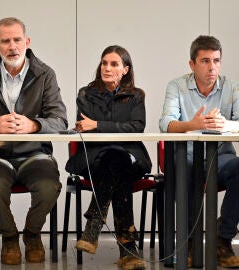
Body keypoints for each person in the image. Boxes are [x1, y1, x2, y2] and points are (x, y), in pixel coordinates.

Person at [0, 17, 67, 265]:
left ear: (27, 42)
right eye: (5, 41)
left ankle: (31, 234)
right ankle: (9, 237)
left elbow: (60, 120)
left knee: (49, 188)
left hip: (35, 154)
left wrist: (35, 125)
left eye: (17, 40)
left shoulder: (45, 74)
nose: (12, 46)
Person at [65, 45, 152, 270]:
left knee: (118, 160)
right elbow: (85, 127)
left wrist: (98, 125)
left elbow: (136, 127)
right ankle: (128, 250)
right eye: (104, 63)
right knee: (116, 163)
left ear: (125, 70)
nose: (107, 67)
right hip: (94, 158)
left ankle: (94, 223)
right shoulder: (86, 94)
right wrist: (103, 129)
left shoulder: (136, 95)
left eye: (114, 64)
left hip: (130, 157)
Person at [159, 35, 239, 268]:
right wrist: (193, 125)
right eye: (205, 61)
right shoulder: (177, 86)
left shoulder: (232, 87)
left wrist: (224, 124)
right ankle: (191, 244)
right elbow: (166, 123)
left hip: (221, 157)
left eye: (216, 61)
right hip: (187, 155)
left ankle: (222, 238)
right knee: (188, 171)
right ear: (192, 64)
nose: (211, 67)